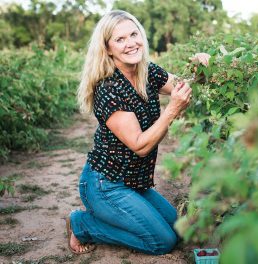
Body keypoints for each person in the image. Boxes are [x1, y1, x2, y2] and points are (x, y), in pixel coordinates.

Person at [67, 10, 210, 255]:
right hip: (106, 185)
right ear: (108, 49)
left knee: (177, 230)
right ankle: (82, 224)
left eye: (134, 34)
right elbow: (140, 145)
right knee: (161, 242)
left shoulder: (147, 71)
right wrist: (171, 110)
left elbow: (183, 86)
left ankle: (113, 217)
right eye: (120, 39)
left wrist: (202, 66)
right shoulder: (109, 88)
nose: (131, 43)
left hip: (135, 183)